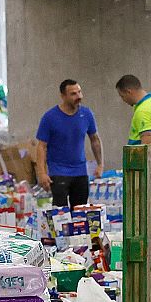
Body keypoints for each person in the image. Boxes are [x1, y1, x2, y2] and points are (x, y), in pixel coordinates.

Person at [34, 79, 103, 208]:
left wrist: (100, 164)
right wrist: (42, 173)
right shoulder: (50, 117)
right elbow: (41, 147)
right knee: (61, 213)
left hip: (80, 171)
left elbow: (95, 139)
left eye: (79, 92)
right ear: (63, 96)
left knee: (80, 213)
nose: (79, 97)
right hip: (58, 171)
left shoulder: (86, 114)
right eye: (73, 94)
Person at [115, 75, 151, 146]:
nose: (123, 100)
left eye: (122, 96)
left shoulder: (143, 111)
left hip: (143, 156)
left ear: (128, 92)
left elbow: (147, 144)